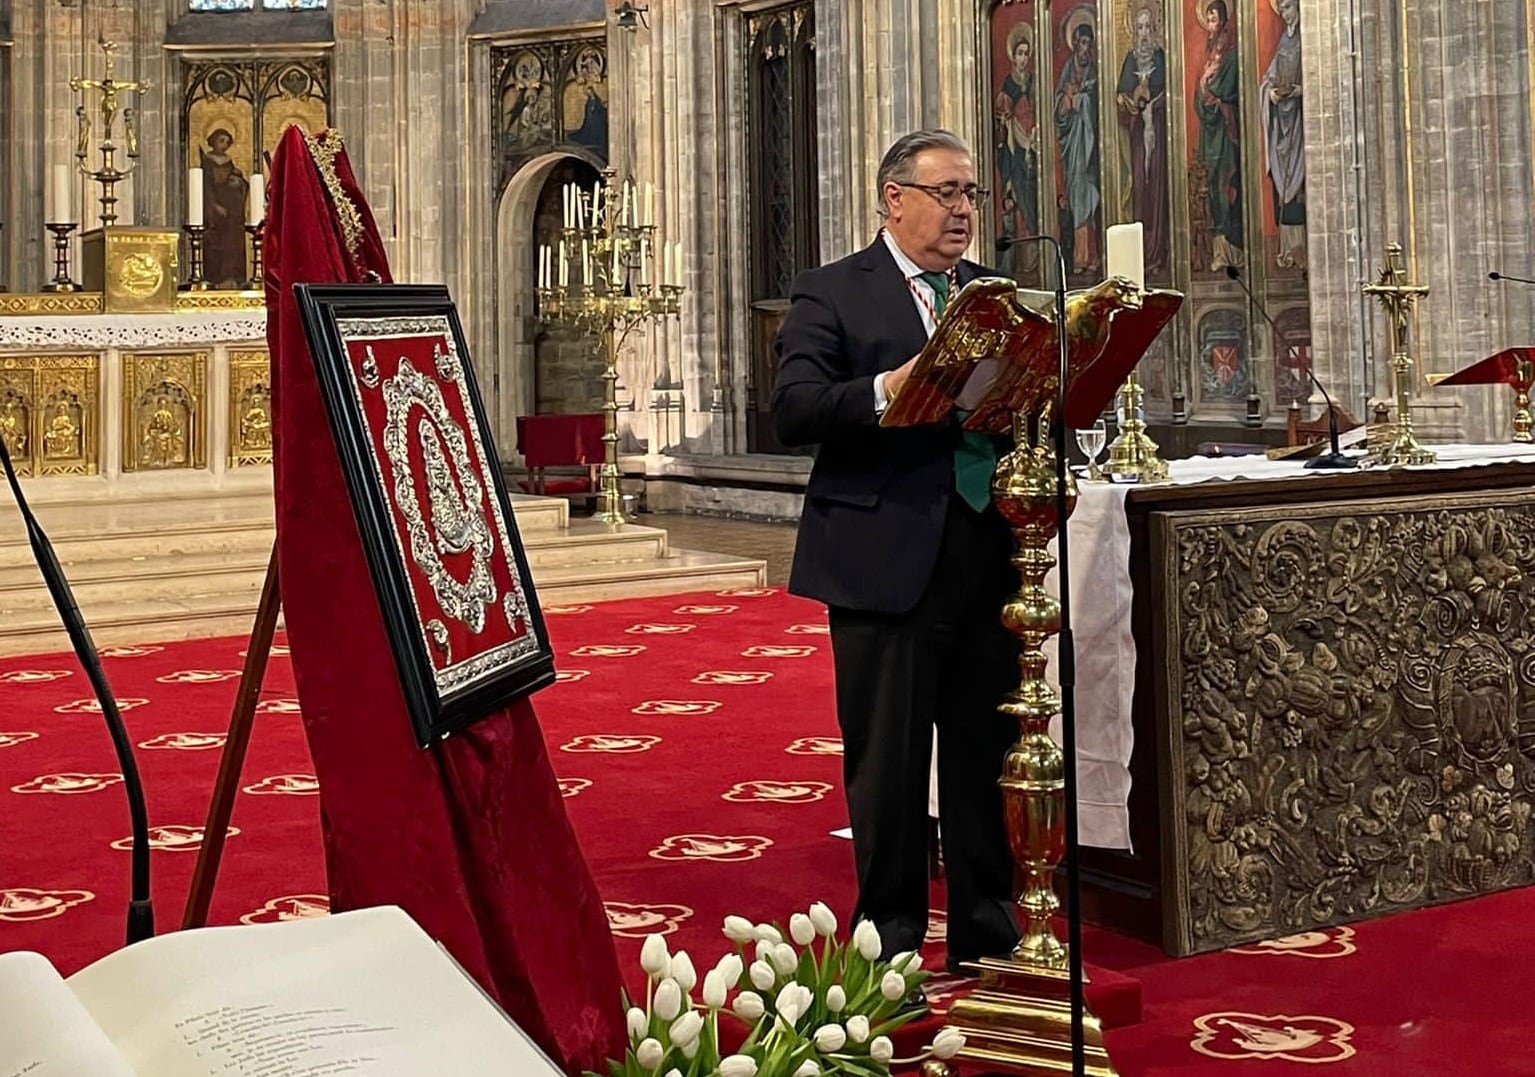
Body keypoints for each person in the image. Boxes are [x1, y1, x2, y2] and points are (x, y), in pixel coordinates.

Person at [772, 130, 1021, 971]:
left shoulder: (992, 294)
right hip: (884, 556)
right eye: (946, 193)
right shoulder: (834, 290)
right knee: (889, 759)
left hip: (988, 547)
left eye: (970, 196)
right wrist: (892, 383)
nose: (961, 210)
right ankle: (891, 937)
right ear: (893, 198)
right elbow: (796, 408)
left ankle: (988, 927)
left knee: (984, 750)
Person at [1115, 4, 1169, 273]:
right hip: (1137, 134)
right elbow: (1119, 95)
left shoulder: (1161, 57)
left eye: (1148, 27)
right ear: (1134, 31)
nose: (1144, 33)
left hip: (1159, 135)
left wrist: (1154, 102)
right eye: (1140, 27)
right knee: (1139, 188)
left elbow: (1171, 93)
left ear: (1155, 28)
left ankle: (1158, 253)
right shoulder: (1130, 59)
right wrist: (1128, 101)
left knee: (1158, 189)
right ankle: (1138, 259)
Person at [1195, 0, 1244, 271]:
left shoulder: (1232, 55)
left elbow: (1223, 90)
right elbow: (1200, 96)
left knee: (1226, 184)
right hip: (1210, 132)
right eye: (1209, 19)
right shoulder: (1210, 56)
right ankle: (1219, 249)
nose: (1211, 25)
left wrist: (1207, 84)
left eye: (1215, 19)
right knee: (1212, 186)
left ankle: (1232, 250)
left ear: (1224, 21)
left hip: (1226, 132)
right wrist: (1203, 84)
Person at [1260, 0, 1306, 268]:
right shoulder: (1283, 42)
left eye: (1289, 6)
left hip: (1301, 120)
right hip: (1282, 122)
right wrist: (1271, 93)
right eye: (1282, 8)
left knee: (1298, 184)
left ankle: (1301, 248)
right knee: (1284, 185)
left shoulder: (1305, 37)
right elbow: (1269, 78)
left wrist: (1302, 90)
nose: (1286, 13)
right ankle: (1288, 248)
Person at [1055, 22, 1101, 276]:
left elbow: (1094, 104)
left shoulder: (1093, 71)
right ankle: (1078, 258)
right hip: (1072, 146)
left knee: (1090, 197)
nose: (1084, 49)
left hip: (1089, 146)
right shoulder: (1067, 71)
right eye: (1081, 43)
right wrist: (1065, 103)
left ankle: (1091, 255)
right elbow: (1057, 106)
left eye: (1088, 43)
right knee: (1075, 196)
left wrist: (1079, 100)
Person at [200, 128, 250, 287]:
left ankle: (233, 276)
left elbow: (239, 181)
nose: (224, 145)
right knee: (216, 243)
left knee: (233, 244)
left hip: (233, 209)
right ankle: (215, 278)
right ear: (213, 141)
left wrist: (238, 181)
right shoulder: (208, 161)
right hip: (215, 210)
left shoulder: (228, 161)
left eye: (227, 142)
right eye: (221, 141)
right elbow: (206, 186)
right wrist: (214, 205)